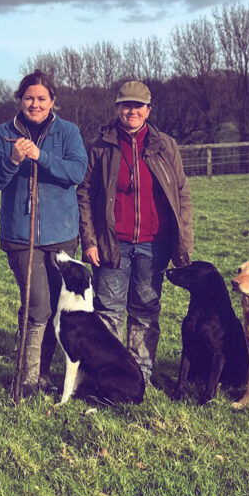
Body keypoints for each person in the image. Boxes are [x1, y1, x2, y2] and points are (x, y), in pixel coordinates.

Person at [76, 80, 193, 388]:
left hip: (154, 245)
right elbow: (85, 194)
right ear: (117, 108)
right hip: (111, 244)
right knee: (108, 312)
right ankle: (109, 373)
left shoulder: (165, 145)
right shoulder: (101, 146)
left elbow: (181, 193)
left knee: (145, 311)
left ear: (148, 110)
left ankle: (141, 373)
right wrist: (89, 241)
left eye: (138, 105)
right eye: (126, 105)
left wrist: (184, 241)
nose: (132, 111)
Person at [0, 69, 88, 399]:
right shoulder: (4, 134)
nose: (35, 104)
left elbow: (77, 171)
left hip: (62, 235)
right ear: (20, 100)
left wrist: (41, 157)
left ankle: (42, 375)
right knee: (37, 305)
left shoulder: (68, 132)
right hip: (20, 235)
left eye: (42, 98)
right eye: (29, 97)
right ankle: (25, 381)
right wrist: (13, 159)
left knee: (54, 306)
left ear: (53, 101)